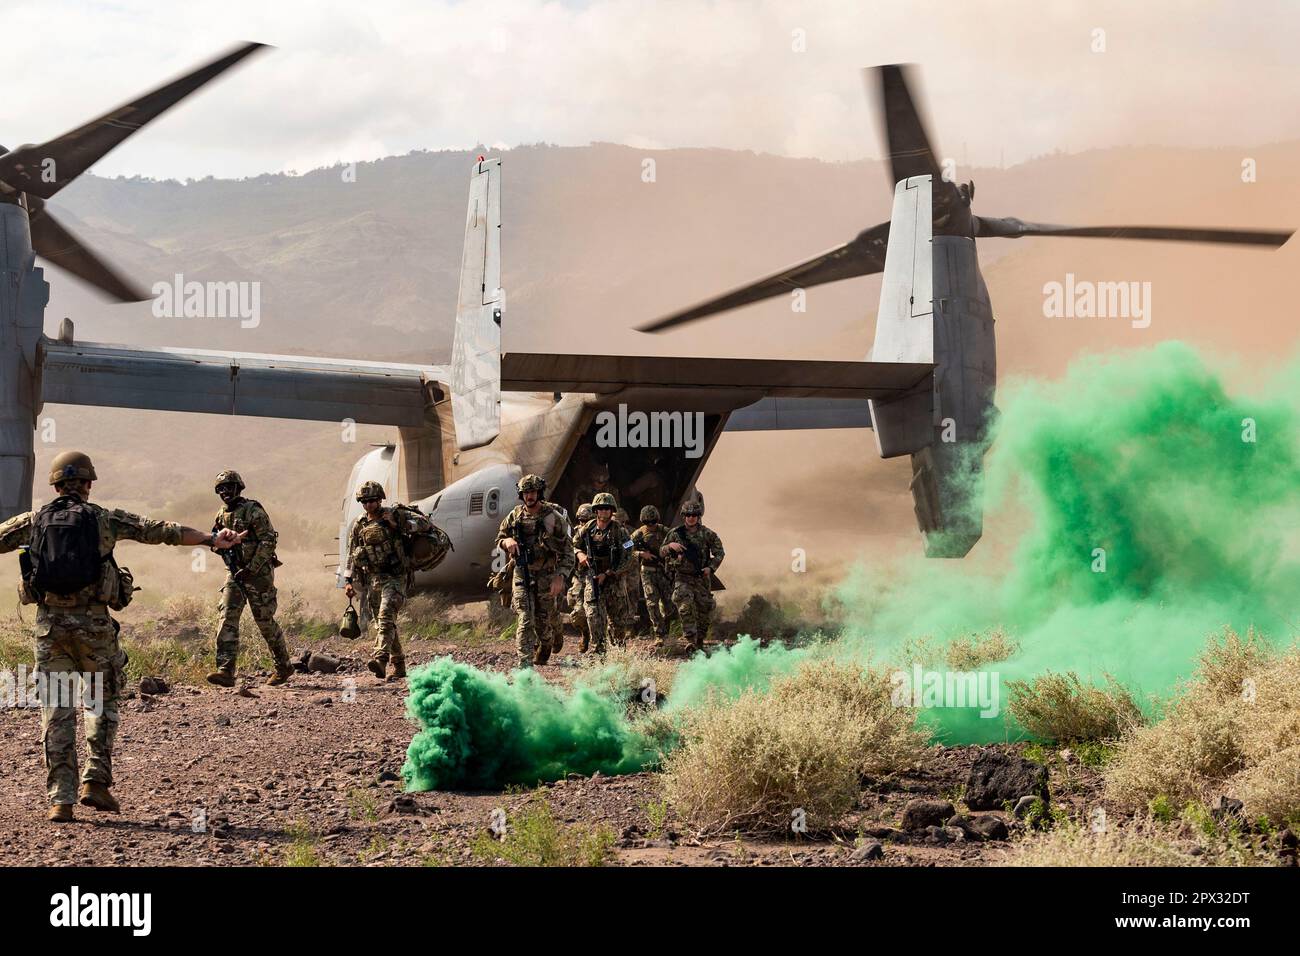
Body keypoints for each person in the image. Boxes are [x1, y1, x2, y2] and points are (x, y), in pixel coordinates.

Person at [0, 451, 243, 822]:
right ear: (89, 484)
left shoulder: (34, 521)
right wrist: (212, 539)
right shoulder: (105, 519)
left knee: (56, 711)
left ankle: (60, 800)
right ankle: (95, 780)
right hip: (95, 629)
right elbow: (161, 530)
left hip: (50, 630)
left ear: (54, 484)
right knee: (100, 700)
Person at [206, 470, 293, 687]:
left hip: (258, 575)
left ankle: (283, 667)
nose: (225, 492)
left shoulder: (253, 510)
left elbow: (267, 542)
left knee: (264, 622)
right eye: (221, 489)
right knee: (226, 616)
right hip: (234, 574)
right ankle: (225, 670)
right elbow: (217, 541)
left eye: (228, 487)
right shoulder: (221, 515)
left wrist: (251, 568)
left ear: (238, 488)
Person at [343, 480, 434, 680]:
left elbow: (424, 524)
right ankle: (399, 664)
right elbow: (351, 555)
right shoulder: (360, 524)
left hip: (396, 577)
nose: (369, 505)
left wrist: (398, 525)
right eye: (365, 502)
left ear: (380, 499)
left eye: (372, 501)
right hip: (374, 579)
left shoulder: (395, 514)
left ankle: (380, 660)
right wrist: (348, 581)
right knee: (383, 624)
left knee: (385, 618)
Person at [495, 474, 574, 668]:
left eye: (532, 492)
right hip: (522, 572)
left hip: (546, 575)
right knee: (525, 618)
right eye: (525, 492)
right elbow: (499, 538)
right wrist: (507, 542)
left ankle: (547, 642)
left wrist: (560, 576)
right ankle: (525, 666)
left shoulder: (552, 518)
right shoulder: (514, 516)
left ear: (539, 492)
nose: (529, 496)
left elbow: (568, 552)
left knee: (543, 619)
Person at [661, 500, 725, 652]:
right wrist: (670, 546)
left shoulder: (707, 534)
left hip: (701, 578)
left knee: (705, 610)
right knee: (685, 607)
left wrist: (711, 568)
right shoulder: (675, 533)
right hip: (682, 577)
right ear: (684, 516)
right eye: (688, 515)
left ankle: (700, 641)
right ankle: (690, 639)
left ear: (698, 516)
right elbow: (661, 551)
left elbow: (720, 552)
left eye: (694, 515)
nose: (691, 518)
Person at [573, 493, 632, 655]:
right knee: (593, 615)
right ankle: (598, 650)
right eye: (600, 509)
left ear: (612, 510)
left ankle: (619, 652)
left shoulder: (621, 531)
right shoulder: (588, 528)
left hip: (614, 581)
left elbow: (629, 556)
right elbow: (573, 545)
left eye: (607, 508)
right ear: (595, 510)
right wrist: (580, 555)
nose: (604, 512)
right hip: (593, 577)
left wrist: (608, 573)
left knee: (617, 622)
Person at [630, 505, 672, 648]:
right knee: (652, 603)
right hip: (647, 572)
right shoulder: (638, 534)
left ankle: (667, 629)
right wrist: (640, 554)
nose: (651, 525)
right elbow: (624, 548)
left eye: (653, 522)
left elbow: (677, 543)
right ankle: (659, 635)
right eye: (648, 523)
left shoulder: (665, 531)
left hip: (664, 572)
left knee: (669, 604)